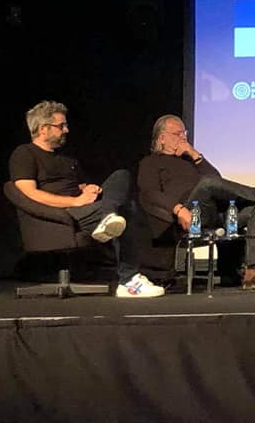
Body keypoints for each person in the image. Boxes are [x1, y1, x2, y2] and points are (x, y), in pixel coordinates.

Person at [9, 100, 165, 299]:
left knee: (121, 176)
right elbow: (28, 193)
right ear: (43, 129)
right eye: (61, 126)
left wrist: (88, 189)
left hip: (83, 208)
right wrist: (75, 202)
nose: (66, 130)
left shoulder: (66, 158)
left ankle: (108, 216)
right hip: (60, 215)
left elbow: (79, 185)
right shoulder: (24, 153)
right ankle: (128, 281)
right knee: (127, 210)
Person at [137, 114, 255, 291]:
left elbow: (218, 181)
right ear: (162, 138)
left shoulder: (189, 160)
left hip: (215, 214)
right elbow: (150, 193)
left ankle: (253, 274)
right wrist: (178, 209)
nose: (183, 137)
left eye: (184, 133)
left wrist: (195, 155)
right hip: (188, 215)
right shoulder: (151, 163)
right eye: (177, 134)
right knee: (208, 183)